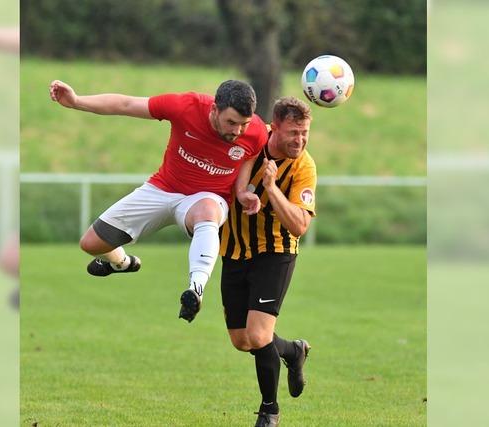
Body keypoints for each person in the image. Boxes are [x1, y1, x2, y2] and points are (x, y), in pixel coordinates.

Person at [49, 79, 268, 322]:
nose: (237, 131)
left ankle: (196, 289)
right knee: (91, 244)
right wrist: (77, 101)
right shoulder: (186, 106)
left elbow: (249, 157)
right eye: (231, 122)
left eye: (243, 125)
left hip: (207, 199)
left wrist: (241, 193)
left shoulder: (257, 132)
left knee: (207, 210)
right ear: (214, 109)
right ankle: (122, 263)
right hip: (163, 188)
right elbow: (126, 104)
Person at [219, 97, 316, 426]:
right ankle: (293, 350)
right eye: (293, 132)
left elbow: (300, 225)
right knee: (241, 340)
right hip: (234, 250)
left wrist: (272, 189)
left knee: (259, 335)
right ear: (274, 129)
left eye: (304, 133)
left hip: (276, 251)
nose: (299, 140)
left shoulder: (304, 166)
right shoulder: (248, 146)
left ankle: (269, 411)